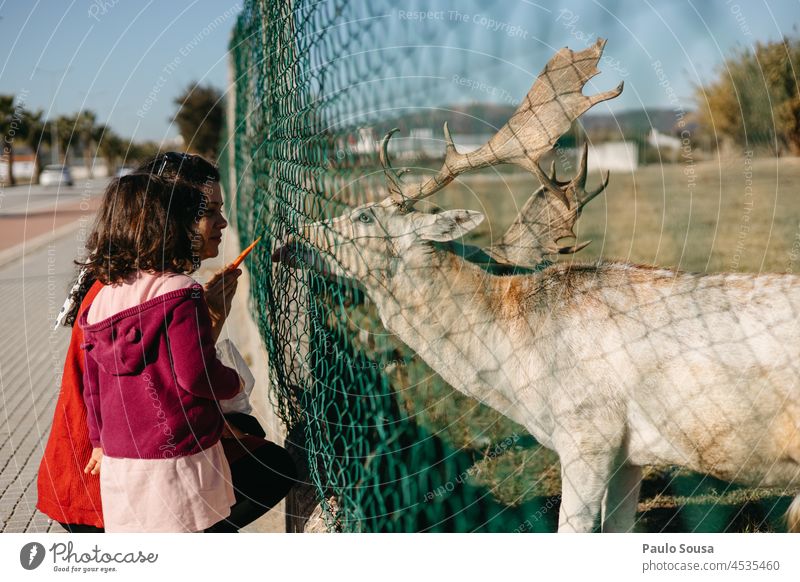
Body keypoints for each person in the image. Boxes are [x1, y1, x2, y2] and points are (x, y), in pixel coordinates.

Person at [37, 152, 297, 532]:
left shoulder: (120, 284)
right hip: (102, 495)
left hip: (98, 475)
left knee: (246, 434)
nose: (222, 223)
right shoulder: (162, 291)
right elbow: (179, 382)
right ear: (170, 216)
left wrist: (207, 317)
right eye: (208, 211)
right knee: (271, 466)